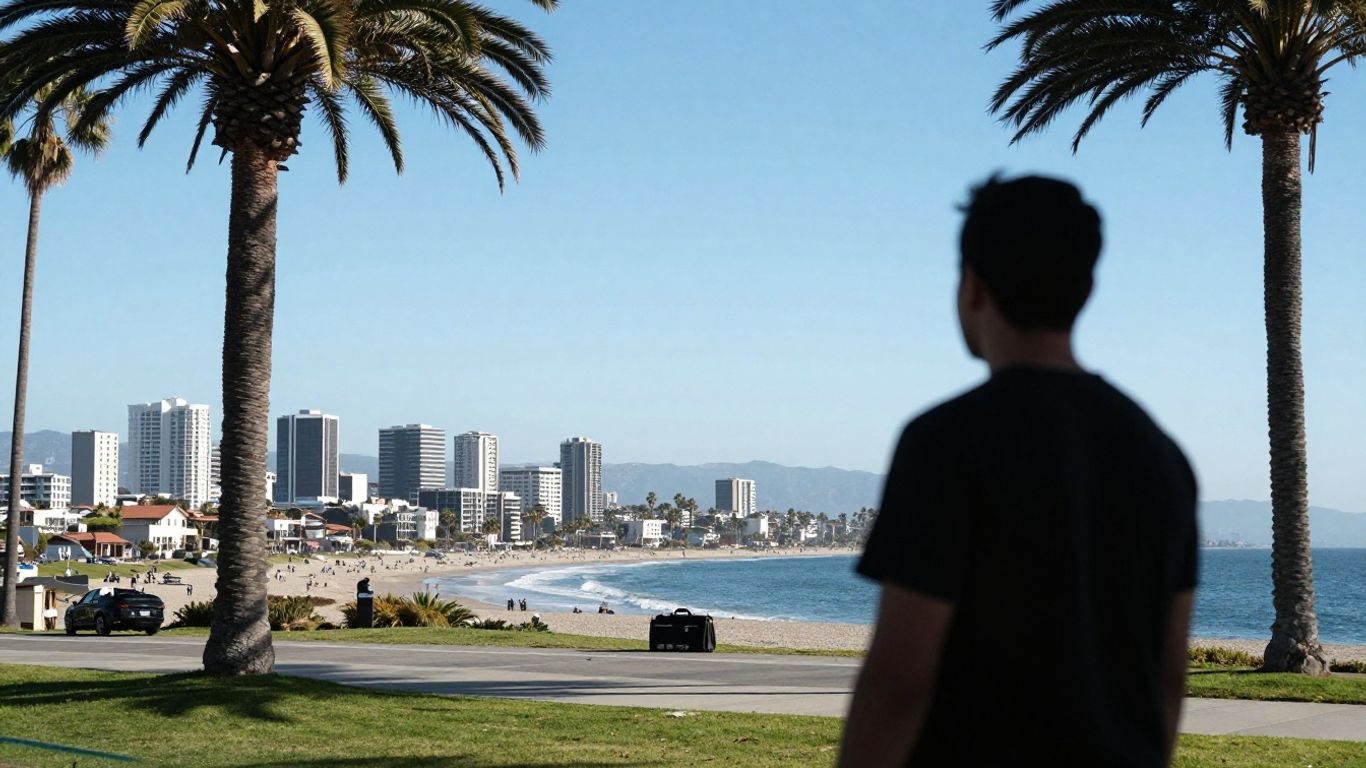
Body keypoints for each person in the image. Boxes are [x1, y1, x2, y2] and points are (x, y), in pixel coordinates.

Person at [838, 176, 1197, 768]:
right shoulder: (1160, 456)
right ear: (1084, 288)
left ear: (973, 286)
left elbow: (900, 682)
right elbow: (1167, 675)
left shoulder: (945, 444)